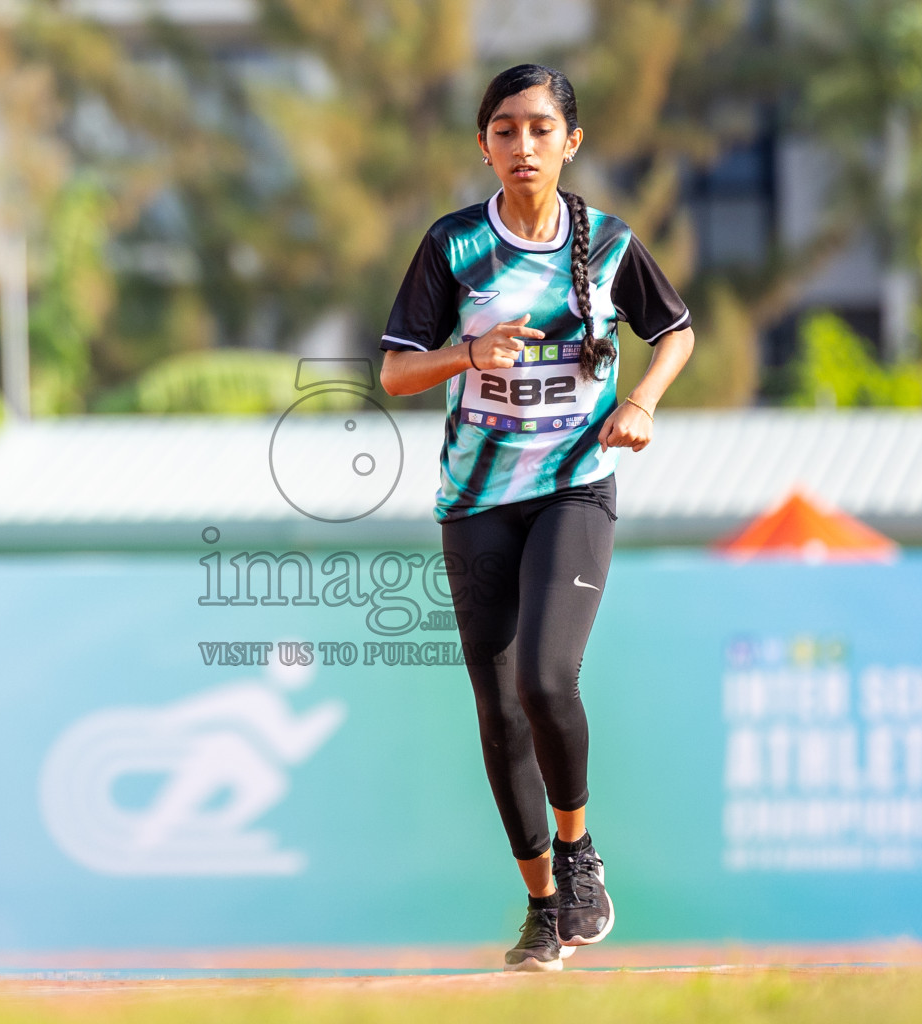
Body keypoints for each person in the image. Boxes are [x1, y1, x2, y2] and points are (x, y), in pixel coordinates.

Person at [378, 63, 695, 971]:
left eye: (541, 129)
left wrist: (642, 404)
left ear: (572, 142)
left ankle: (579, 848)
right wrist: (467, 353)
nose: (524, 146)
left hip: (573, 488)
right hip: (477, 501)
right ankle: (543, 911)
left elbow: (674, 330)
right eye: (506, 130)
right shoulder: (452, 248)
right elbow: (396, 371)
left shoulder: (610, 241)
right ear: (484, 144)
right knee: (500, 710)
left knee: (547, 679)